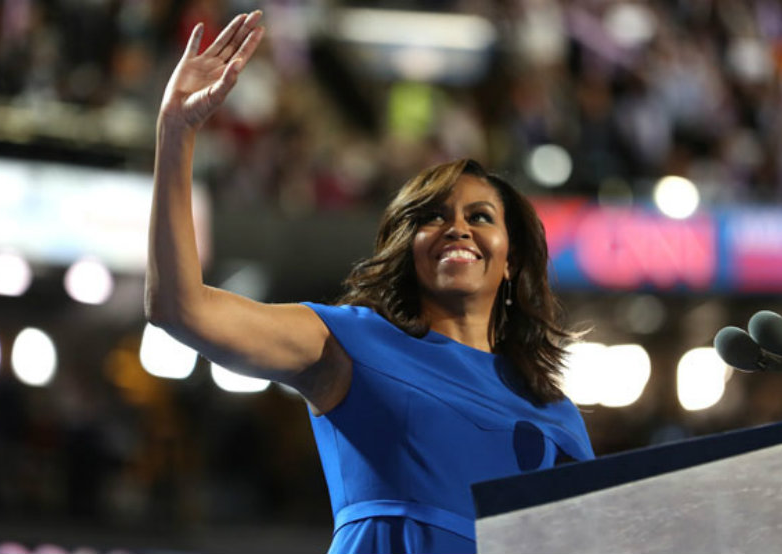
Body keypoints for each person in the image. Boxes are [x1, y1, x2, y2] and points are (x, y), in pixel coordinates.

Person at [146, 10, 595, 554]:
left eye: (480, 217)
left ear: (513, 260)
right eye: (433, 216)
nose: (456, 227)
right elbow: (180, 308)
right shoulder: (348, 343)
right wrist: (177, 131)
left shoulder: (556, 414)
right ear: (408, 248)